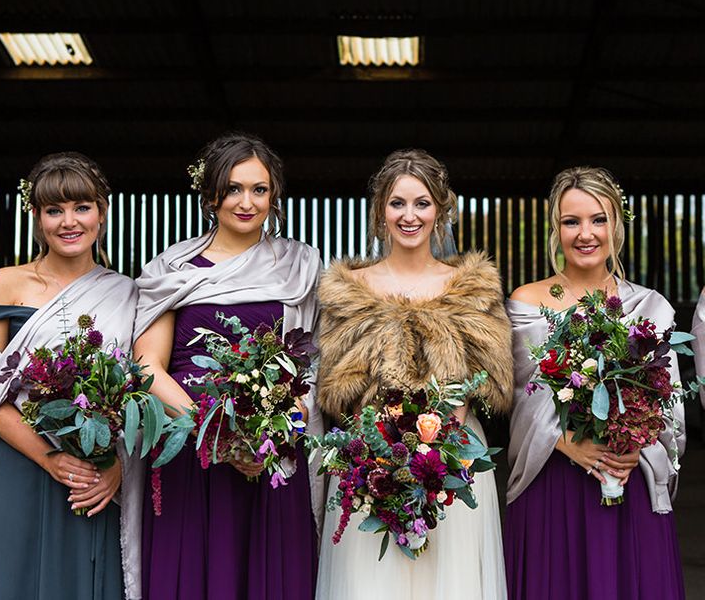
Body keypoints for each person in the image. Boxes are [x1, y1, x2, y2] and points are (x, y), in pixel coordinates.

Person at [314, 149, 512, 599]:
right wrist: (384, 446)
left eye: (422, 203)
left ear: (441, 211)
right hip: (370, 464)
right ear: (380, 211)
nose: (410, 215)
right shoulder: (347, 291)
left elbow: (496, 383)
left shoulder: (473, 288)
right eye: (397, 203)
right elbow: (332, 387)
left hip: (454, 459)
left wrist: (441, 438)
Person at [133, 132, 322, 600]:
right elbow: (147, 365)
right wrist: (214, 433)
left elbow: (313, 366)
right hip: (190, 451)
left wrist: (268, 436)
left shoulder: (301, 267)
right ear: (211, 192)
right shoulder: (173, 267)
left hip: (270, 455)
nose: (246, 202)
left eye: (259, 189)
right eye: (234, 188)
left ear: (274, 195)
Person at [504, 166, 685, 600]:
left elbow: (670, 403)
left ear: (616, 225)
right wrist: (566, 441)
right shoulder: (526, 303)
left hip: (628, 482)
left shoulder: (650, 308)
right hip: (553, 484)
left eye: (598, 219)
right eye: (572, 221)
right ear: (555, 228)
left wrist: (635, 441)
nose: (586, 234)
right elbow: (511, 398)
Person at [0, 152, 141, 600]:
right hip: (23, 464)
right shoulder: (5, 283)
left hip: (94, 475)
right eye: (54, 210)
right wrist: (48, 458)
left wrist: (118, 470)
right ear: (36, 216)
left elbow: (140, 389)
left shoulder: (127, 293)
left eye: (82, 207)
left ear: (102, 211)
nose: (69, 222)